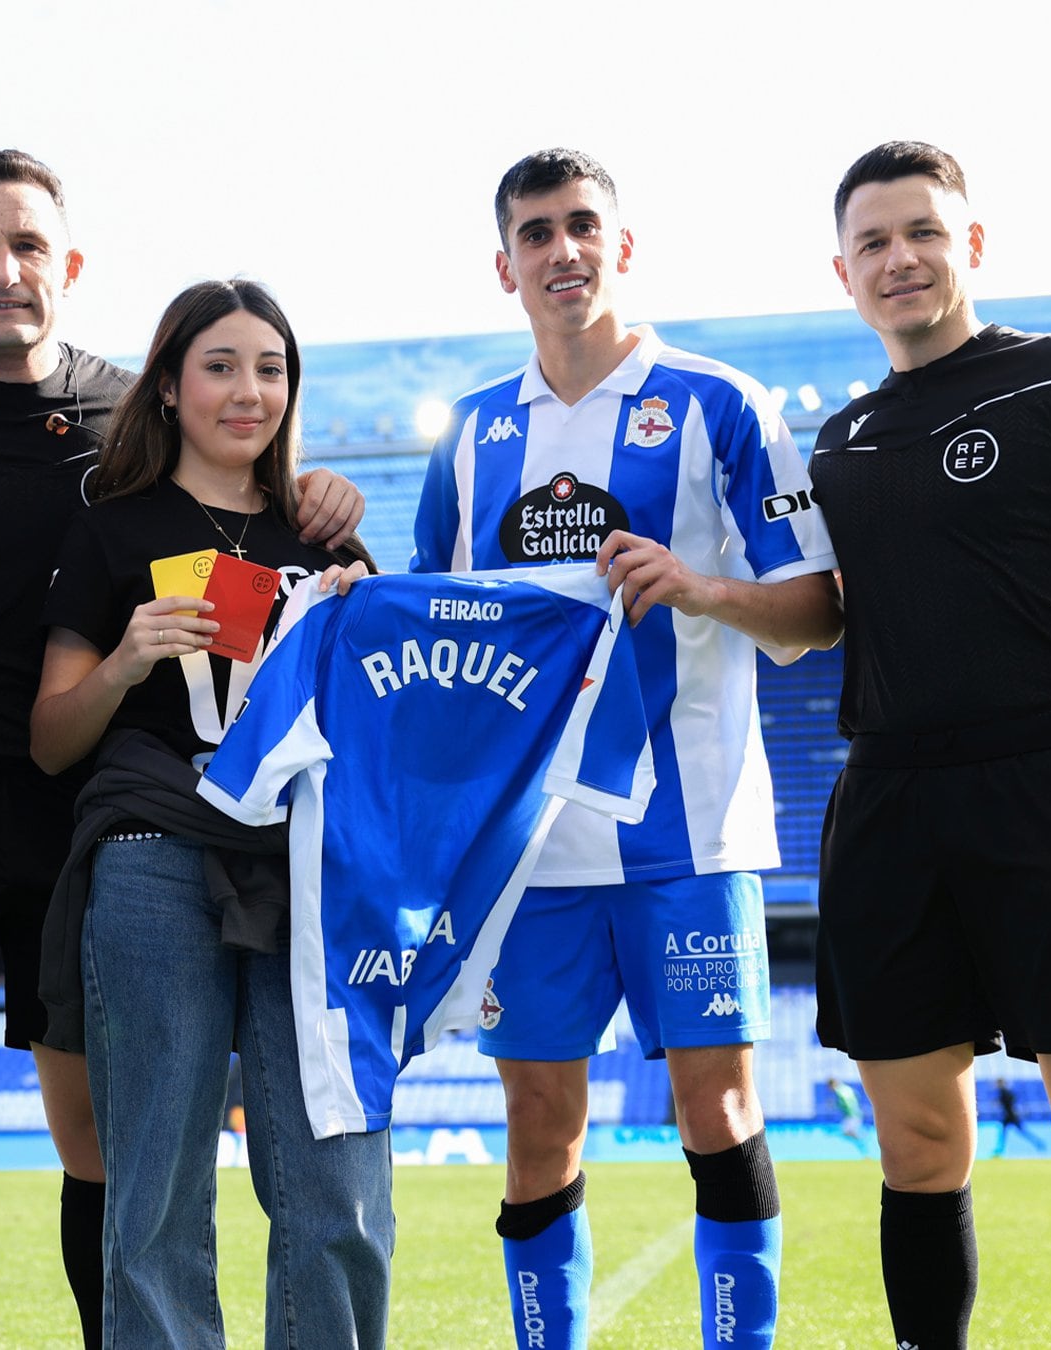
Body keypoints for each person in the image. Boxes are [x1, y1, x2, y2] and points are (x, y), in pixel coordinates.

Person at [0, 152, 364, 1349]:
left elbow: (238, 508)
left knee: (109, 1143)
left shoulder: (138, 411)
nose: (3, 272)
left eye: (27, 247)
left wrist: (310, 496)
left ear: (69, 265)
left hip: (91, 815)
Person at [408, 148, 842, 1350]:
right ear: (504, 263)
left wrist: (700, 591)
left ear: (623, 245)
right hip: (531, 856)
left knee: (719, 1108)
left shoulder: (719, 403)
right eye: (536, 233)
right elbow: (430, 629)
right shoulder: (472, 435)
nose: (562, 250)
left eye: (582, 225)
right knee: (539, 1120)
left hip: (685, 834)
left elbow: (820, 612)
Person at [812, 140, 1051, 1350]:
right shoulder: (839, 437)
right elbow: (819, 615)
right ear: (844, 272)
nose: (899, 259)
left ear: (969, 245)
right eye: (873, 242)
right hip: (888, 801)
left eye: (922, 231)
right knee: (918, 1149)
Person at [31, 279, 386, 1346]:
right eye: (221, 366)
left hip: (310, 874)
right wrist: (129, 656)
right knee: (156, 1204)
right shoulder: (111, 532)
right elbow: (50, 738)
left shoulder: (326, 540)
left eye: (270, 368)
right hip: (153, 859)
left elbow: (377, 730)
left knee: (341, 1192)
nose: (248, 390)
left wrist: (358, 594)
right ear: (172, 385)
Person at [992, 1079, 1043, 1157]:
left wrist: (997, 1102)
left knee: (1016, 1132)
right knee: (1005, 1133)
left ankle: (1038, 1142)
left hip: (1010, 1116)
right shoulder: (1006, 1091)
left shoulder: (1003, 1092)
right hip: (1010, 1115)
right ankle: (999, 1149)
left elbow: (1004, 1102)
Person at [828, 1076, 868, 1154]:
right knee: (847, 1132)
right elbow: (857, 1095)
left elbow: (846, 1102)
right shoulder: (846, 1088)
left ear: (832, 1085)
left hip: (852, 1115)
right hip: (855, 1113)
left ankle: (862, 1141)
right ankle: (861, 1142)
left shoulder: (839, 1091)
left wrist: (836, 1105)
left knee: (847, 1132)